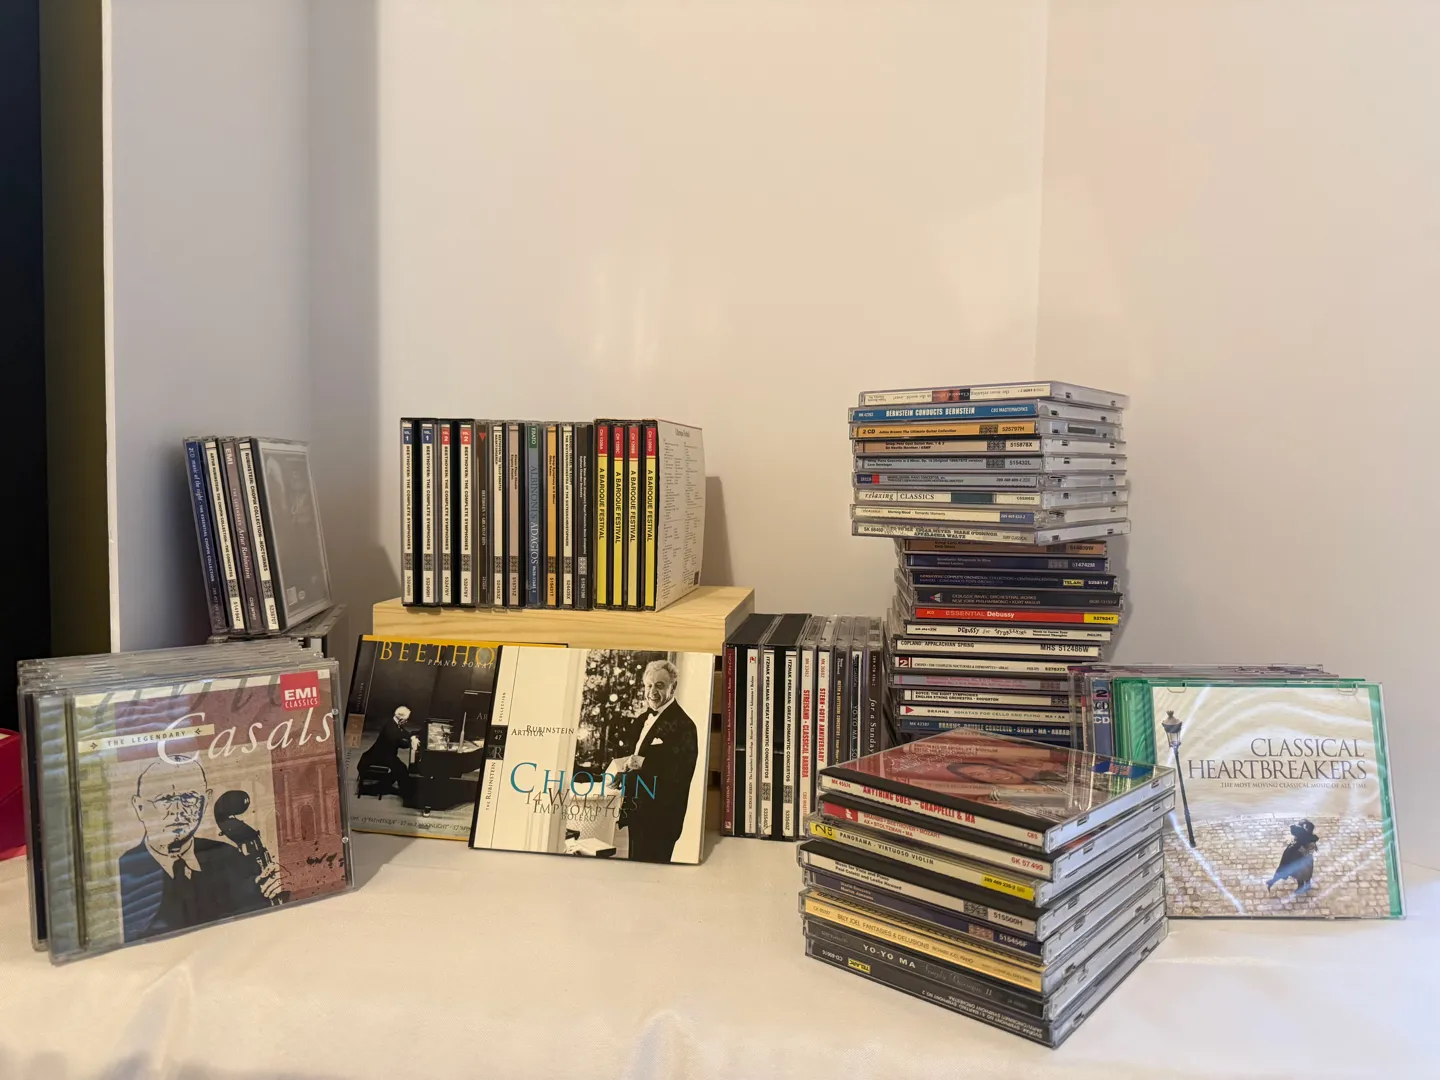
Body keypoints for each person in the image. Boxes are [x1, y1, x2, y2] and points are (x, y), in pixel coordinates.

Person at [118, 758, 281, 942]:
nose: (177, 810)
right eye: (165, 800)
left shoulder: (231, 858)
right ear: (140, 807)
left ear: (206, 801)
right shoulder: (122, 872)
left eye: (189, 798)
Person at [610, 660, 697, 863]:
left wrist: (643, 762)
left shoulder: (685, 725)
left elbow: (682, 772)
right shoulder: (642, 719)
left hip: (661, 819)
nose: (652, 692)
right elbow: (635, 757)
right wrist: (624, 773)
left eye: (659, 685)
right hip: (637, 812)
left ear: (673, 687)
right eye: (649, 685)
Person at [356, 705, 419, 797]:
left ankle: (396, 788)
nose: (407, 722)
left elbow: (402, 731)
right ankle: (406, 793)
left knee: (399, 769)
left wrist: (411, 736)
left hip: (385, 754)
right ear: (401, 719)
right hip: (381, 756)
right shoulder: (391, 730)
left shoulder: (393, 722)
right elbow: (400, 743)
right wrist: (412, 744)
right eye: (406, 720)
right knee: (401, 768)